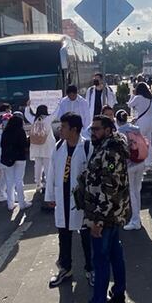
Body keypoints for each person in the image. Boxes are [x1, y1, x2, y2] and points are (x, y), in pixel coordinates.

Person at [72, 115, 131, 303]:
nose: (92, 132)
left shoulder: (109, 151)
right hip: (114, 214)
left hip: (104, 217)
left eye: (96, 129)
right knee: (115, 255)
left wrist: (97, 220)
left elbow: (109, 188)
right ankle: (117, 297)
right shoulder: (109, 146)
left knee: (101, 261)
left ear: (108, 129)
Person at [47, 113, 94, 287]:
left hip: (81, 202)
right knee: (63, 236)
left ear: (74, 129)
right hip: (62, 199)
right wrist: (50, 195)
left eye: (64, 127)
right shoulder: (59, 146)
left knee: (86, 237)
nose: (61, 129)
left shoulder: (87, 147)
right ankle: (65, 269)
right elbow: (52, 172)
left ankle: (91, 269)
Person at [115, 110, 151, 228]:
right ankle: (137, 218)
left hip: (129, 165)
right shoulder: (135, 128)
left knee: (132, 192)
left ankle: (135, 221)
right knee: (137, 191)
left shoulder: (120, 132)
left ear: (117, 120)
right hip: (140, 162)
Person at [25, 103, 57, 201]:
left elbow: (27, 114)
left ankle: (38, 183)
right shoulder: (47, 119)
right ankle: (47, 184)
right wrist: (59, 103)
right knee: (48, 166)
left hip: (36, 146)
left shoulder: (33, 120)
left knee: (37, 165)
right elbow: (56, 113)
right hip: (47, 147)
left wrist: (28, 106)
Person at [0, 114, 31, 210]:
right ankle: (22, 203)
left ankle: (10, 204)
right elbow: (24, 145)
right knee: (19, 181)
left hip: (7, 159)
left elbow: (2, 145)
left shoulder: (5, 132)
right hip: (20, 158)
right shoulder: (21, 131)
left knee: (9, 181)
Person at [128, 82, 152, 173]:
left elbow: (129, 104)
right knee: (148, 143)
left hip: (141, 122)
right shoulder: (150, 98)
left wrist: (132, 95)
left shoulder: (137, 98)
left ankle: (143, 164)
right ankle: (150, 164)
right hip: (150, 122)